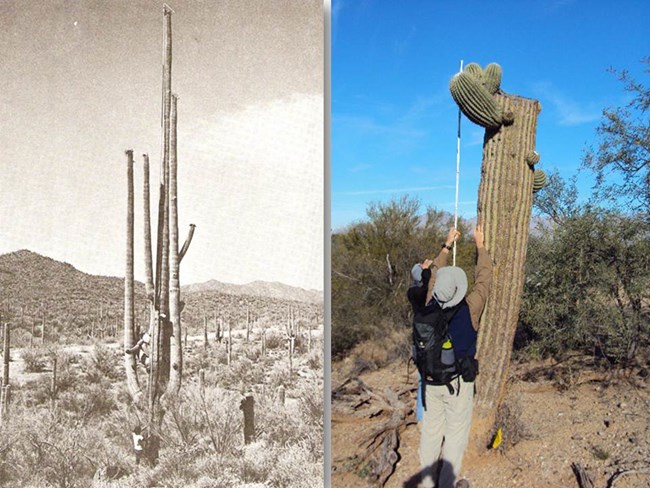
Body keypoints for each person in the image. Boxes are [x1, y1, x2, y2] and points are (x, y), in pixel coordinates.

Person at [416, 224, 492, 488]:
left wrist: (446, 246)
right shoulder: (470, 309)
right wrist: (480, 246)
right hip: (458, 385)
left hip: (431, 382)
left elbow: (433, 276)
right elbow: (484, 280)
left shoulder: (426, 305)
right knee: (455, 437)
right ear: (459, 289)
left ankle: (426, 484)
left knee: (431, 434)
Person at [408, 229, 461, 423]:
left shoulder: (415, 293)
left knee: (424, 378)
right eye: (423, 265)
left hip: (420, 346)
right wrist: (447, 244)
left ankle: (422, 416)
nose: (427, 263)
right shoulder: (427, 293)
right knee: (441, 375)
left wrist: (447, 245)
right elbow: (436, 269)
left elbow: (435, 269)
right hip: (436, 346)